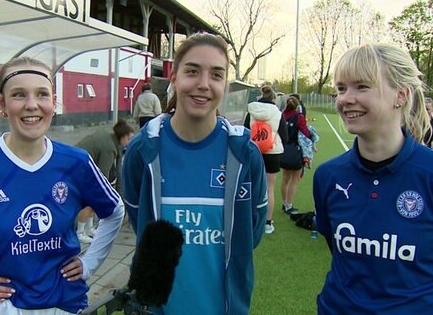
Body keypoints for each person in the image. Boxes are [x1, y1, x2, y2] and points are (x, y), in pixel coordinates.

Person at [0, 57, 125, 315]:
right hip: (3, 308)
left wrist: (89, 264)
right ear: (2, 104)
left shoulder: (76, 163)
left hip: (65, 305)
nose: (32, 105)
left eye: (42, 94)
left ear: (53, 102)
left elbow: (115, 210)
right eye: (19, 95)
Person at [313, 43, 433, 314]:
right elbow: (342, 257)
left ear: (401, 94)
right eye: (341, 88)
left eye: (362, 86)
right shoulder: (328, 176)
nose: (346, 98)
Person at [122, 32, 267, 315]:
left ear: (225, 84)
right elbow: (140, 224)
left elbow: (252, 233)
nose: (203, 84)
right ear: (174, 77)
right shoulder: (142, 150)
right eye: (192, 72)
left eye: (216, 74)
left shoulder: (245, 154)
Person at [75, 119, 134, 243]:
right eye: (128, 139)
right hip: (78, 168)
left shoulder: (108, 137)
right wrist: (104, 192)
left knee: (93, 200)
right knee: (90, 202)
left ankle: (90, 228)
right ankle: (80, 232)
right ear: (122, 137)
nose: (129, 142)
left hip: (79, 164)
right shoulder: (110, 148)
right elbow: (102, 174)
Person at [243, 85, 287, 234]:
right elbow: (285, 136)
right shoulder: (278, 114)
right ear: (273, 97)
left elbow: (245, 130)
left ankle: (249, 220)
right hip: (273, 152)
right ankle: (267, 223)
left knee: (251, 185)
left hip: (253, 151)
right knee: (270, 188)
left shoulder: (251, 111)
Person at [280, 95, 311, 216]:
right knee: (295, 180)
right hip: (296, 150)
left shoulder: (282, 116)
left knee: (285, 178)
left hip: (284, 149)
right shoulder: (299, 117)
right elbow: (305, 133)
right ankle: (289, 204)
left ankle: (284, 202)